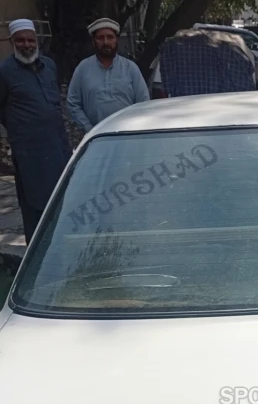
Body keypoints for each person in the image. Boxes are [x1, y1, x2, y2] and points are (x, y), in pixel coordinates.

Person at [0, 19, 72, 244]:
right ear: (12, 42)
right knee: (36, 211)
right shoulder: (4, 72)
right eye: (20, 40)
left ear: (36, 41)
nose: (26, 45)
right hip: (30, 155)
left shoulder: (49, 66)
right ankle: (38, 259)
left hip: (59, 149)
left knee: (64, 204)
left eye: (30, 40)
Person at [67, 17, 149, 133]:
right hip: (96, 137)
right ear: (93, 42)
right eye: (100, 38)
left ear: (117, 40)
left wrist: (133, 128)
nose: (105, 42)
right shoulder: (83, 68)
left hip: (128, 134)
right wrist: (89, 129)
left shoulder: (130, 68)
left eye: (110, 37)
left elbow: (143, 103)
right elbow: (73, 102)